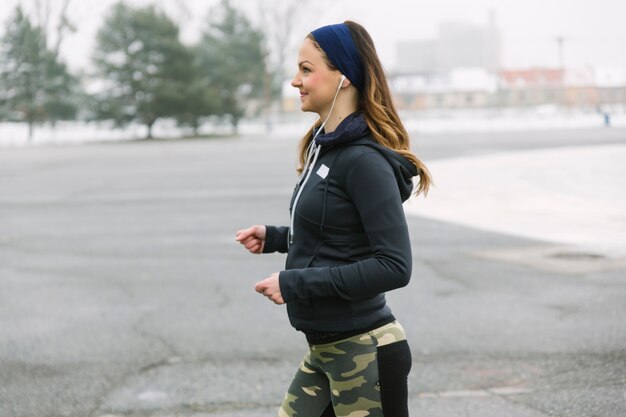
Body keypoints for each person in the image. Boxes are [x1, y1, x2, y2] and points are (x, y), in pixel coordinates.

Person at [235, 20, 431, 417]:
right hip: (327, 350)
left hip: (365, 353)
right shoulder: (327, 150)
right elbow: (337, 232)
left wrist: (295, 283)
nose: (295, 81)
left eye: (307, 69)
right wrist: (275, 237)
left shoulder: (363, 161)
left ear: (343, 77)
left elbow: (394, 266)